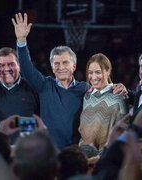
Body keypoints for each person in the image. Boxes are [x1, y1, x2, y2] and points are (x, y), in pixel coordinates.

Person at [11, 13, 127, 149]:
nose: (61, 67)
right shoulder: (45, 85)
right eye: (56, 63)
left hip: (76, 153)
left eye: (65, 63)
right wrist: (21, 40)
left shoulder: (85, 88)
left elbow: (107, 90)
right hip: (49, 152)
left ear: (74, 66)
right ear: (52, 67)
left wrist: (123, 88)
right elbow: (26, 67)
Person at [0, 47, 39, 129]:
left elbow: (44, 122)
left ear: (19, 66)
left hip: (27, 141)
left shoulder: (33, 86)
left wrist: (12, 125)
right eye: (2, 65)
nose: (6, 69)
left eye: (11, 64)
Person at [78, 53, 128, 151]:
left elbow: (122, 133)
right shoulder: (87, 97)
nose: (93, 77)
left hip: (106, 158)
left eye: (98, 72)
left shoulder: (119, 97)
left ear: (108, 71)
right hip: (84, 157)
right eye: (90, 73)